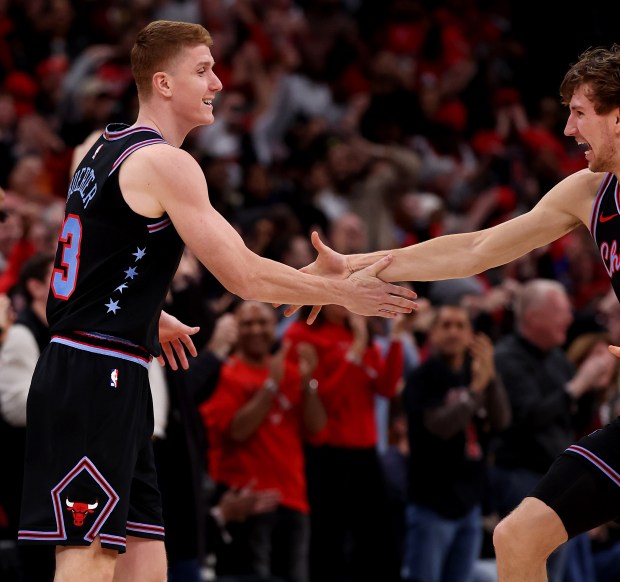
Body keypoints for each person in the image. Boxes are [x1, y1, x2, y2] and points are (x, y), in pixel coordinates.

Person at [16, 20, 417, 582]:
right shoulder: (167, 163)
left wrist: (146, 311)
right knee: (87, 561)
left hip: (109, 366)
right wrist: (343, 293)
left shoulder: (101, 149)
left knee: (145, 564)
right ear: (163, 83)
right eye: (202, 70)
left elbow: (92, 260)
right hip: (94, 371)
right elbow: (244, 276)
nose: (219, 83)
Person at [290, 44, 620, 581]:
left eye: (579, 113)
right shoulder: (588, 192)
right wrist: (351, 266)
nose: (566, 129)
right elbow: (474, 249)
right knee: (518, 537)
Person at [201, 301, 325, 582]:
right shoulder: (226, 372)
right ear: (235, 329)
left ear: (274, 328)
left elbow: (317, 430)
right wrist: (271, 386)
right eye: (247, 323)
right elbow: (237, 431)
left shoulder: (289, 371)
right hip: (248, 505)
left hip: (293, 501)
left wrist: (308, 383)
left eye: (263, 323)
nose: (256, 330)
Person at [401, 304, 511, 582]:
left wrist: (492, 377)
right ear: (433, 333)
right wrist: (475, 392)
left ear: (471, 334)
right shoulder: (422, 377)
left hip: (469, 503)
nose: (454, 332)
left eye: (461, 326)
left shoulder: (477, 373)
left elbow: (502, 421)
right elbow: (439, 426)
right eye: (446, 325)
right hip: (432, 503)